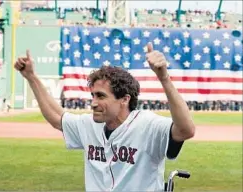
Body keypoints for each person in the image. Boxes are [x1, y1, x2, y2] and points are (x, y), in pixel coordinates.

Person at [14, 42, 195, 192]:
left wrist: (163, 77)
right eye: (92, 95)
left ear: (124, 99)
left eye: (100, 96)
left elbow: (186, 130)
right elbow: (56, 117)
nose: (93, 103)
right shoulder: (89, 124)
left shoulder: (148, 125)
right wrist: (31, 77)